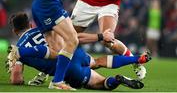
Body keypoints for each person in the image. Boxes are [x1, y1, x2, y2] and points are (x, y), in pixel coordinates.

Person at [7, 12, 150, 90]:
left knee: (100, 84)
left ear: (14, 31)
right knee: (95, 61)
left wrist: (18, 62)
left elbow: (16, 79)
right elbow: (72, 37)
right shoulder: (44, 29)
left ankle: (116, 80)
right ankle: (135, 58)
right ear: (30, 24)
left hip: (66, 68)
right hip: (74, 52)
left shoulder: (19, 47)